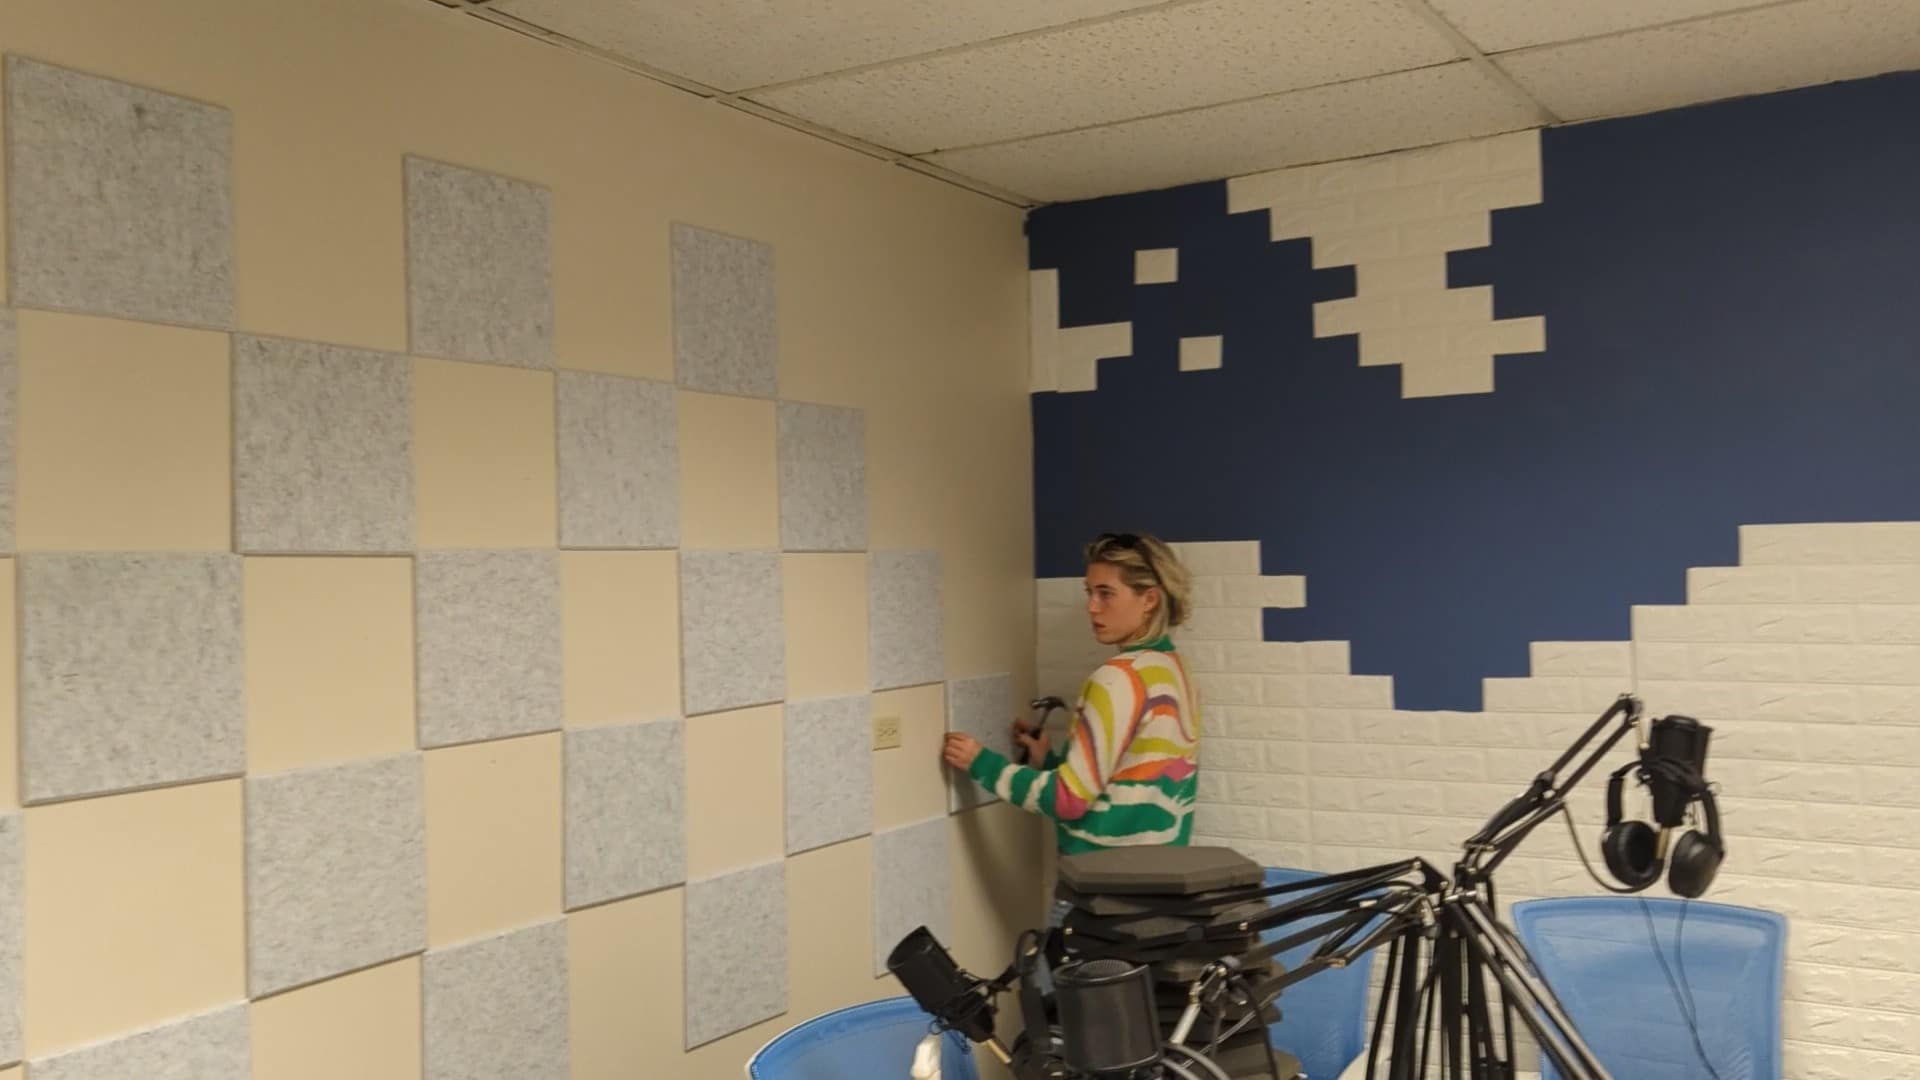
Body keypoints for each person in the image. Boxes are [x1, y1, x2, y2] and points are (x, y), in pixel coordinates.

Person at [943, 532, 1200, 854]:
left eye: (1106, 594)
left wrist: (982, 763)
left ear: (1149, 599)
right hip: (1161, 881)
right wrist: (1049, 761)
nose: (1091, 607)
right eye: (1089, 592)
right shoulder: (1174, 669)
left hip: (1103, 889)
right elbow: (1131, 779)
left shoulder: (1117, 678)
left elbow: (1068, 800)